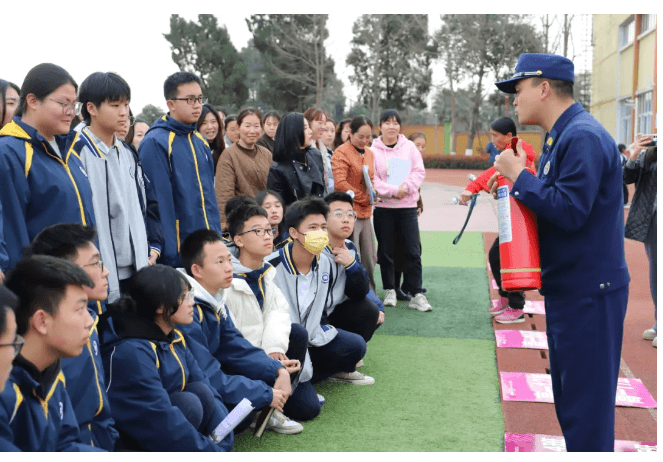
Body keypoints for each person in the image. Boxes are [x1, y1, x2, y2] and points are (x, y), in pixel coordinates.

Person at [491, 53, 630, 451]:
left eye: (518, 90)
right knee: (574, 405)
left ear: (544, 87)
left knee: (585, 412)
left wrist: (520, 177)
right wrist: (521, 183)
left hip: (589, 292)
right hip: (576, 289)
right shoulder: (563, 135)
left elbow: (570, 211)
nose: (514, 101)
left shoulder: (581, 136)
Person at [98, 264, 233, 451]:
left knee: (202, 392)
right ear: (161, 307)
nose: (192, 302)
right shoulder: (131, 351)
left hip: (162, 424)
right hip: (129, 441)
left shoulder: (174, 336)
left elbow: (206, 385)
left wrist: (224, 433)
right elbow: (159, 418)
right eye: (184, 297)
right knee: (190, 404)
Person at [178, 229, 301, 433]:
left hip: (210, 378)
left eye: (229, 259)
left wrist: (276, 369)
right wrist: (264, 393)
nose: (229, 267)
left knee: (269, 378)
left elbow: (237, 346)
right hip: (189, 390)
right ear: (196, 270)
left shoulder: (214, 298)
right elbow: (206, 373)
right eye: (220, 262)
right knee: (240, 411)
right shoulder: (185, 310)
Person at [270, 198, 374, 418]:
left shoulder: (325, 262)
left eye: (323, 227)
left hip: (311, 338)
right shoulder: (271, 266)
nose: (320, 233)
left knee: (355, 347)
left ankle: (310, 377)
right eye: (313, 228)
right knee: (308, 410)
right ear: (294, 233)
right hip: (280, 346)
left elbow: (342, 299)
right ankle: (287, 387)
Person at [25, 223, 119, 450]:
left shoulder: (89, 319)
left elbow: (100, 411)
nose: (106, 271)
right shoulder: (48, 342)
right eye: (96, 263)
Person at [72, 71, 163, 301]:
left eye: (126, 104)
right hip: (97, 276)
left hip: (136, 270)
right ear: (91, 108)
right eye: (115, 105)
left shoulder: (126, 152)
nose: (124, 112)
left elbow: (142, 207)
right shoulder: (75, 151)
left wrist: (150, 248)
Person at [0, 256, 103, 451]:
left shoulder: (51, 373)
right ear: (41, 322)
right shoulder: (5, 391)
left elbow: (65, 446)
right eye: (80, 309)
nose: (90, 321)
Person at [0, 63, 95, 272]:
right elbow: (12, 235)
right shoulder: (9, 153)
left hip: (81, 283)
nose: (71, 112)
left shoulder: (69, 153)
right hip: (46, 291)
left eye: (74, 105)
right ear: (32, 101)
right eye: (63, 103)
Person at [225, 203, 309, 432]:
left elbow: (279, 313)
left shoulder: (266, 272)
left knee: (308, 409)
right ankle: (262, 408)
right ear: (238, 240)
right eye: (257, 231)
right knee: (237, 424)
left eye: (269, 230)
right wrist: (268, 362)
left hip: (265, 360)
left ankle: (272, 409)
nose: (267, 236)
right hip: (238, 364)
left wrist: (273, 349)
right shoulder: (226, 278)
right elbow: (231, 340)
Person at [138, 71, 220, 268]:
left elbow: (210, 197)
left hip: (210, 246)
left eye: (200, 98)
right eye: (190, 99)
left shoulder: (199, 140)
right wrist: (170, 253)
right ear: (171, 104)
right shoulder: (156, 142)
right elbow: (159, 204)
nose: (197, 105)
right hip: (179, 254)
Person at [461, 117, 537, 324]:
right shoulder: (509, 154)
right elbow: (493, 173)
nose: (492, 140)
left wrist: (474, 187)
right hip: (510, 218)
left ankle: (516, 307)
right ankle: (506, 298)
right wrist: (473, 188)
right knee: (497, 256)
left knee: (514, 260)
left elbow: (494, 173)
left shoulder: (519, 155)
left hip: (521, 220)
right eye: (491, 135)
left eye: (495, 136)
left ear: (509, 136)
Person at [371, 109, 431, 312]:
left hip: (407, 207)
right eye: (387, 122)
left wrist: (406, 189)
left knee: (413, 251)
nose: (391, 126)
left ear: (400, 127)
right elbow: (373, 179)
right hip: (384, 208)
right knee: (386, 251)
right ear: (380, 126)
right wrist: (393, 191)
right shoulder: (373, 150)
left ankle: (417, 294)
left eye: (395, 123)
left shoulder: (410, 148)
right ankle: (390, 289)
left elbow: (418, 171)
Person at [322, 192, 383, 343]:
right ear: (324, 220)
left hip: (337, 310)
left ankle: (351, 350)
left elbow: (359, 291)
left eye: (350, 215)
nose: (346, 219)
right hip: (316, 316)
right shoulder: (315, 249)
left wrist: (352, 265)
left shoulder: (350, 247)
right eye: (338, 214)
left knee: (371, 310)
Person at [331, 115, 378, 293]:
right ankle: (353, 293)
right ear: (350, 133)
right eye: (361, 137)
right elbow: (341, 184)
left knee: (370, 258)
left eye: (369, 137)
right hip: (349, 214)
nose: (365, 141)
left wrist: (374, 193)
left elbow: (371, 178)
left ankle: (370, 293)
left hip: (366, 213)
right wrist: (363, 197)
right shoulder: (341, 152)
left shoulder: (370, 153)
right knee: (353, 256)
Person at [623, 134, 657, 348]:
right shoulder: (650, 154)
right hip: (652, 221)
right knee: (655, 272)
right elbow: (627, 177)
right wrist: (634, 154)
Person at [215, 108, 272, 229]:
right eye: (247, 126)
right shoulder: (228, 155)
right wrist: (225, 222)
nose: (252, 131)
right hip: (242, 220)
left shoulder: (266, 154)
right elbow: (224, 193)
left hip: (266, 218)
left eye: (256, 126)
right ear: (239, 127)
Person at [267, 112, 326, 206]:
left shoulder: (315, 155)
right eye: (305, 128)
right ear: (293, 131)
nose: (310, 131)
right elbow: (279, 206)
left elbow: (322, 191)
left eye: (309, 127)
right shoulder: (278, 169)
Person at [304, 108, 333, 193]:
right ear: (308, 122)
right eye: (320, 123)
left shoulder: (322, 146)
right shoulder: (305, 147)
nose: (323, 127)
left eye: (324, 123)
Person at [197, 103, 225, 173]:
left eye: (213, 122)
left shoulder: (224, 149)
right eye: (204, 123)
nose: (210, 127)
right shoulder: (193, 152)